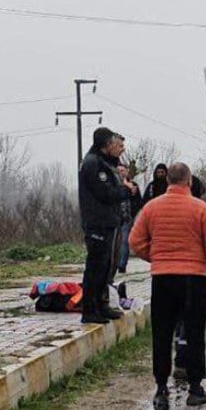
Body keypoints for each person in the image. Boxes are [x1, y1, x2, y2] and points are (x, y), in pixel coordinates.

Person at [129, 162, 206, 408]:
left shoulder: (151, 208)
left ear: (168, 180)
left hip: (162, 278)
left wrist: (157, 257)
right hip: (194, 278)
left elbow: (135, 241)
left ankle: (161, 389)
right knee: (194, 333)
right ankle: (195, 388)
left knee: (161, 334)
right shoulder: (201, 209)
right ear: (189, 181)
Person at [78, 128, 137, 324]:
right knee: (95, 266)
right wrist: (125, 190)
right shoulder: (93, 164)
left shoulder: (104, 163)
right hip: (97, 223)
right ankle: (90, 309)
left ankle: (102, 305)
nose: (119, 149)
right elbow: (105, 194)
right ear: (106, 144)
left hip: (108, 222)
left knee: (106, 266)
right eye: (116, 145)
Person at [116, 164, 145, 274]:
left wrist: (133, 214)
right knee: (115, 243)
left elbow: (139, 201)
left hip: (127, 218)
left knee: (124, 242)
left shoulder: (133, 185)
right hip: (114, 218)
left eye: (123, 170)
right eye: (119, 171)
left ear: (127, 172)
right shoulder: (113, 184)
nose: (121, 173)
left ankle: (122, 265)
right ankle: (114, 263)